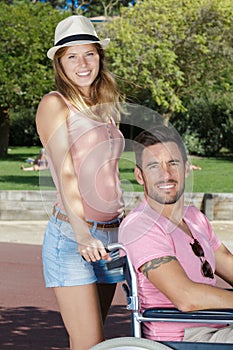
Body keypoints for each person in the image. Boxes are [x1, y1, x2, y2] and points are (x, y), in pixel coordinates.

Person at [35, 15, 125, 350]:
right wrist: (82, 233)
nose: (82, 63)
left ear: (100, 57)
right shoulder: (55, 104)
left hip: (110, 238)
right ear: (60, 63)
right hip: (75, 239)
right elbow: (66, 172)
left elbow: (108, 174)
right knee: (89, 342)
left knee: (95, 341)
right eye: (72, 56)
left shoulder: (105, 110)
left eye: (89, 53)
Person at [119, 124, 233, 343]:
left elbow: (226, 261)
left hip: (220, 327)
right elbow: (186, 297)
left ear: (186, 169)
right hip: (185, 338)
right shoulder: (141, 226)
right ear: (140, 176)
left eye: (173, 163)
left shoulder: (193, 217)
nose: (166, 174)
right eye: (154, 166)